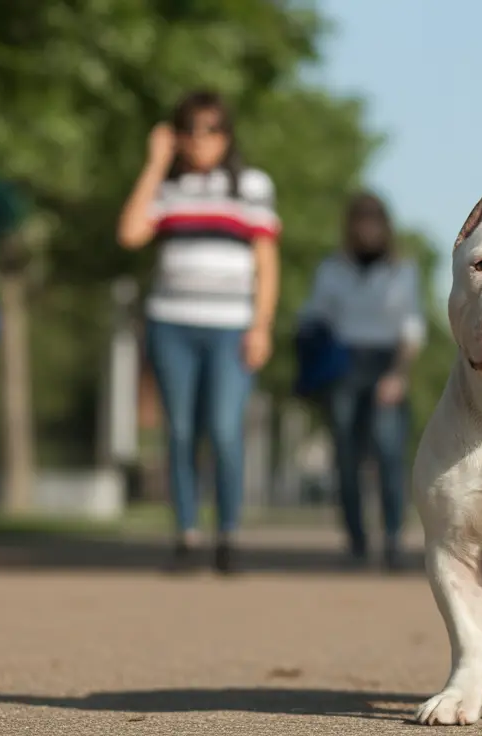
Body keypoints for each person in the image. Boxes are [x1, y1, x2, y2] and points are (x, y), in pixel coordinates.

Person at [117, 90, 281, 574]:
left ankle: (227, 535)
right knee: (181, 432)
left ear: (226, 135)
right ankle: (186, 536)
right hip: (171, 324)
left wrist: (261, 326)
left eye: (209, 128)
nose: (199, 138)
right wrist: (154, 164)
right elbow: (129, 234)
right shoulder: (168, 188)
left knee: (226, 431)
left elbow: (266, 263)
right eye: (188, 129)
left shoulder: (251, 186)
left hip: (230, 328)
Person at [298, 192, 425, 571]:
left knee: (388, 452)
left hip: (388, 361)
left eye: (374, 222)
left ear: (385, 227)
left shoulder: (403, 271)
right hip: (344, 363)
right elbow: (314, 316)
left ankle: (392, 538)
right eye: (360, 221)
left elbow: (412, 327)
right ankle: (356, 538)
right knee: (347, 456)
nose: (367, 229)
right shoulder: (332, 269)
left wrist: (398, 375)